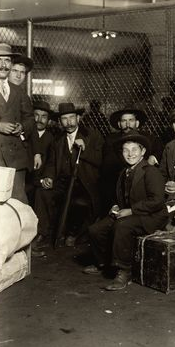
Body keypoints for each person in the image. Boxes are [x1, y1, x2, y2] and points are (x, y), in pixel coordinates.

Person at [85, 131, 168, 291]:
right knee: (95, 229)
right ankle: (104, 263)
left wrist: (130, 211)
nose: (130, 154)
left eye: (134, 150)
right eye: (126, 150)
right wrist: (116, 206)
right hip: (130, 213)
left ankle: (125, 271)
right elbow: (123, 195)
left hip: (152, 216)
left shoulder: (150, 171)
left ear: (143, 151)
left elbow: (157, 201)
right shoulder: (124, 172)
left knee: (122, 226)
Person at [34, 102, 104, 247]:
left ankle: (73, 233)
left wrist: (84, 151)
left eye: (72, 118)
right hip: (63, 182)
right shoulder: (57, 140)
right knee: (42, 193)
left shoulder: (92, 135)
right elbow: (52, 163)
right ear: (60, 122)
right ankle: (43, 232)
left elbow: (100, 160)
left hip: (84, 184)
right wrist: (49, 177)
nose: (69, 122)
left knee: (79, 202)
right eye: (64, 119)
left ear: (78, 118)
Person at [99, 106, 163, 216]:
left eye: (131, 120)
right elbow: (109, 163)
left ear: (137, 123)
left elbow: (159, 150)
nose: (127, 124)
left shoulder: (148, 137)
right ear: (119, 124)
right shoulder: (112, 140)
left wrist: (153, 157)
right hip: (118, 179)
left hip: (141, 182)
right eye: (124, 121)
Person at [0, 43, 35, 204]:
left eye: (7, 60)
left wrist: (22, 127)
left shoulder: (18, 91)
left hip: (15, 159)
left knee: (18, 204)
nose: (3, 65)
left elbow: (29, 118)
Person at [25, 101, 54, 205]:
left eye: (43, 117)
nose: (39, 120)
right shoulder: (25, 135)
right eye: (36, 115)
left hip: (40, 181)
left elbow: (52, 162)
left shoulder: (52, 139)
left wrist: (46, 178)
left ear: (49, 120)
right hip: (25, 179)